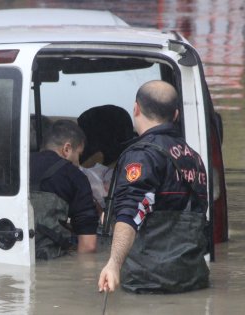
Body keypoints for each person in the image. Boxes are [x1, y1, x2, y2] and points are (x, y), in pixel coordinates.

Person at [98, 80, 209, 293]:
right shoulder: (194, 157)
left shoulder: (142, 155)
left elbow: (130, 212)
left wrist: (113, 263)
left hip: (148, 283)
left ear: (136, 108)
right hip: (194, 279)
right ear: (176, 115)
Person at [30, 119, 99, 257]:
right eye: (79, 154)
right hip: (50, 265)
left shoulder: (13, 168)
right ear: (67, 149)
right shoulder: (75, 177)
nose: (79, 162)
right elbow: (88, 245)